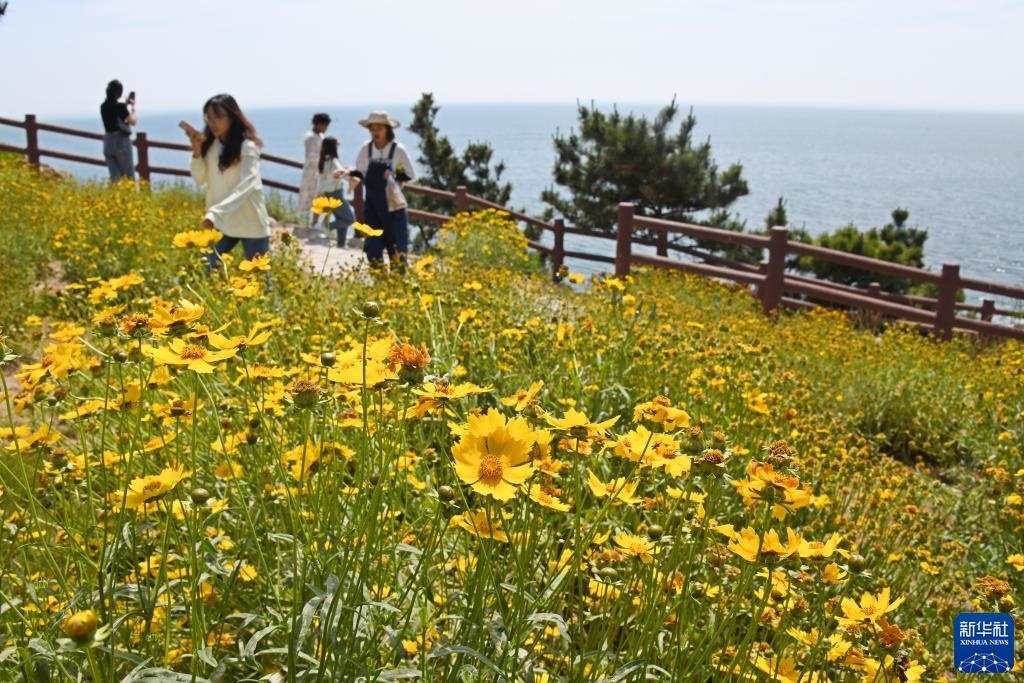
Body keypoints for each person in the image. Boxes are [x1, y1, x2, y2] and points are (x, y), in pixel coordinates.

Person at [183, 94, 271, 271]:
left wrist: (215, 213)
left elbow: (247, 185)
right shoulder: (211, 146)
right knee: (203, 269)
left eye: (218, 117)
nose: (212, 123)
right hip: (222, 223)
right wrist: (197, 151)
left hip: (250, 222)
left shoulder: (248, 147)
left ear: (232, 117)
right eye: (209, 118)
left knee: (259, 278)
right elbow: (199, 179)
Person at [352, 110, 416, 267]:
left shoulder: (398, 149)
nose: (375, 132)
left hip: (395, 208)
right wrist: (347, 173)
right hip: (373, 207)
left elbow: (410, 175)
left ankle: (397, 281)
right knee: (372, 248)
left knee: (398, 251)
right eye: (372, 129)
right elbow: (360, 172)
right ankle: (379, 279)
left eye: (379, 128)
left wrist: (394, 175)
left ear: (388, 129)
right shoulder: (366, 149)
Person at [315, 136, 356, 248]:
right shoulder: (333, 161)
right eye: (337, 144)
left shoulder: (323, 160)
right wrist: (349, 170)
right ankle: (325, 226)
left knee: (341, 218)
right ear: (333, 147)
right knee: (349, 219)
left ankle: (341, 243)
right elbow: (340, 173)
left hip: (327, 192)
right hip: (335, 193)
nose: (338, 146)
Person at [100, 79, 136, 181]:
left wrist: (125, 104)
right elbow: (132, 121)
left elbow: (115, 112)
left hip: (108, 142)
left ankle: (116, 191)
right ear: (118, 92)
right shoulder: (120, 107)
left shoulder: (103, 106)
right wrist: (133, 108)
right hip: (121, 142)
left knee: (115, 177)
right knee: (129, 176)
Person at [299, 113, 331, 226]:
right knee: (317, 197)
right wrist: (325, 156)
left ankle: (318, 223)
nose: (326, 128)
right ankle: (315, 223)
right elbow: (310, 155)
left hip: (320, 172)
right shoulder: (310, 137)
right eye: (325, 125)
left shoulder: (320, 136)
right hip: (312, 172)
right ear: (318, 124)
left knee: (322, 197)